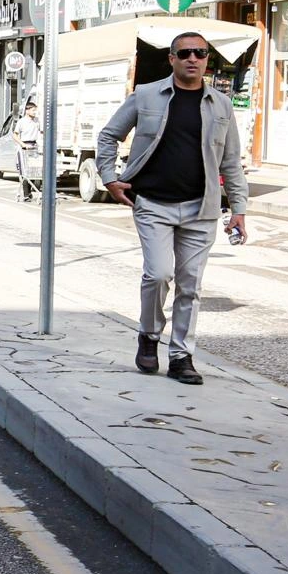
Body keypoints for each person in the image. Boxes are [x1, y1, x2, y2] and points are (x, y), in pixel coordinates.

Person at [97, 31, 248, 385]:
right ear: (172, 59)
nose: (192, 59)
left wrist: (238, 208)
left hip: (202, 209)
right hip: (152, 204)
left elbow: (231, 162)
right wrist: (109, 176)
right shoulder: (146, 95)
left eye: (200, 53)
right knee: (159, 274)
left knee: (191, 285)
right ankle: (149, 336)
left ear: (207, 59)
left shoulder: (221, 105)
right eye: (185, 54)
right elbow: (109, 135)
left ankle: (181, 356)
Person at [12, 99, 41, 202]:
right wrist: (23, 144)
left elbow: (41, 132)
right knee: (25, 171)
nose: (35, 112)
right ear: (27, 111)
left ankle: (30, 191)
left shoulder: (37, 121)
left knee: (34, 170)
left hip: (34, 146)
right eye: (33, 110)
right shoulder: (21, 122)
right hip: (24, 146)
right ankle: (26, 194)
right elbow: (15, 135)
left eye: (35, 110)